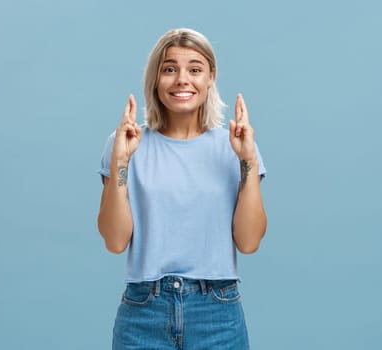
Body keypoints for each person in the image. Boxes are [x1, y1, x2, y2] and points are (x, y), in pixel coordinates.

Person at [97, 28, 268, 350]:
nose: (182, 80)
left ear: (210, 77)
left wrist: (248, 161)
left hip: (217, 309)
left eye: (195, 69)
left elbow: (248, 242)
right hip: (143, 310)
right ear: (156, 78)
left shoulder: (235, 146)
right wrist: (120, 162)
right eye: (169, 68)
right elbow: (115, 241)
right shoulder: (126, 144)